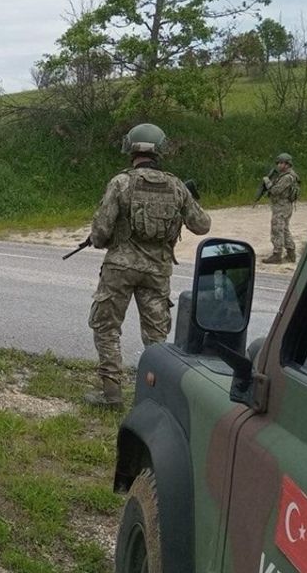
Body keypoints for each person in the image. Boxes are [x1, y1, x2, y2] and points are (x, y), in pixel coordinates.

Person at [85, 123, 211, 408]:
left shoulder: (121, 183)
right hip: (158, 271)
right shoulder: (177, 186)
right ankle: (155, 397)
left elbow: (101, 231)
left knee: (106, 327)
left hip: (119, 268)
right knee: (156, 336)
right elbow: (202, 225)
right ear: (160, 149)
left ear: (131, 148)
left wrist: (99, 240)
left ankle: (111, 394)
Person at [261, 153, 300, 264]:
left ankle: (277, 254)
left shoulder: (287, 177)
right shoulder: (287, 175)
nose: (278, 165)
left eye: (281, 163)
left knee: (277, 229)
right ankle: (291, 254)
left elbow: (275, 190)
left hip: (282, 207)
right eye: (278, 163)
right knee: (284, 229)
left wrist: (267, 181)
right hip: (284, 206)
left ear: (287, 164)